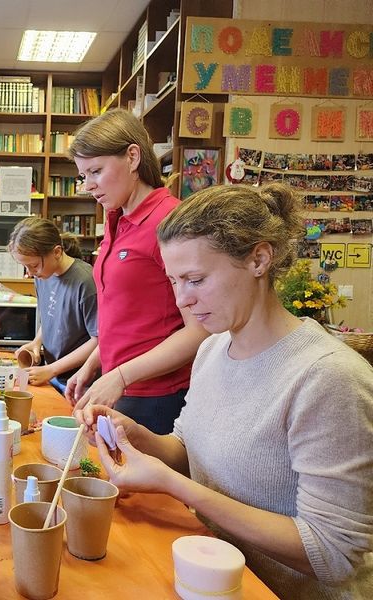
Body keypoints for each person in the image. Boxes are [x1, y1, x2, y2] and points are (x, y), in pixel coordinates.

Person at [80, 183, 373, 598]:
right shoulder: (214, 348)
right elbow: (186, 450)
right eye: (174, 282)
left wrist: (171, 484)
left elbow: (333, 555)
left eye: (195, 279)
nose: (183, 300)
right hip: (209, 575)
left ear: (259, 258)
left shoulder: (328, 379)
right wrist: (132, 433)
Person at [65, 108, 208, 433]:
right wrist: (92, 366)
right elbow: (127, 318)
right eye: (82, 175)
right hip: (120, 384)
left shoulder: (169, 222)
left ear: (132, 157)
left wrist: (121, 375)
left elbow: (200, 331)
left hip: (158, 395)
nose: (87, 185)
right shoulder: (117, 218)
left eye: (96, 171)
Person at [8, 218, 98, 394]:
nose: (29, 273)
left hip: (81, 383)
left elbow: (99, 340)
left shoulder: (86, 281)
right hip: (53, 374)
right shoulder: (42, 276)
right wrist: (36, 342)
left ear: (56, 252)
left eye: (33, 265)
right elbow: (51, 315)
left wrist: (52, 369)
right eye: (25, 267)